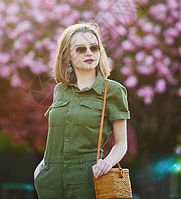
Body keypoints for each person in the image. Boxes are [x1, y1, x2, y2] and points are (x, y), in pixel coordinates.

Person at [33, 22, 130, 198]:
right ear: (67, 56)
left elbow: (121, 143)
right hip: (50, 181)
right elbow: (55, 136)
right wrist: (40, 169)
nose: (89, 53)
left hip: (88, 180)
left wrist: (107, 163)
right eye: (80, 49)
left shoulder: (112, 90)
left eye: (94, 48)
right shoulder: (60, 90)